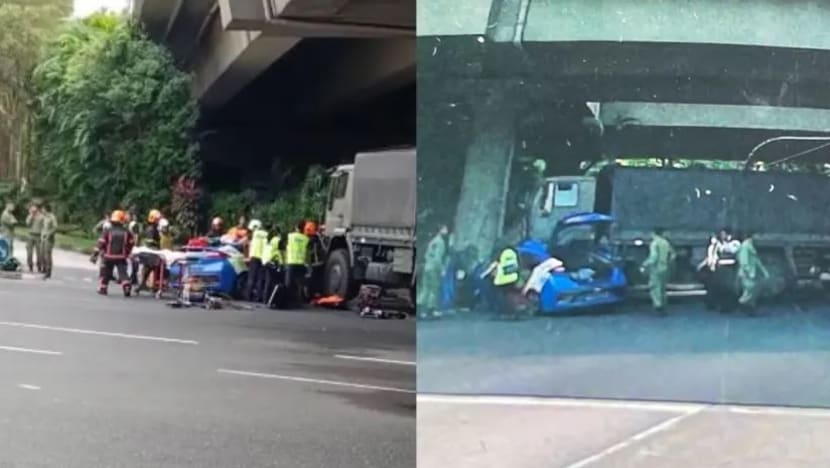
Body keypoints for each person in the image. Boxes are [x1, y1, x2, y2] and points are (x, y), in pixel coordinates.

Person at [92, 210, 135, 297]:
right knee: (123, 273)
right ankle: (126, 286)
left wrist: (95, 255)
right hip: (121, 257)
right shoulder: (127, 232)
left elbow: (101, 243)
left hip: (108, 256)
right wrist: (127, 252)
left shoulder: (108, 231)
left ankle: (103, 288)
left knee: (106, 273)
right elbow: (131, 243)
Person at [640, 227, 676, 315]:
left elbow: (653, 257)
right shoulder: (665, 242)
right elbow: (673, 254)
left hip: (656, 269)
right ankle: (664, 305)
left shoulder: (654, 243)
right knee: (663, 288)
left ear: (654, 233)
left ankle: (658, 306)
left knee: (655, 287)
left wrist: (644, 264)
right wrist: (668, 262)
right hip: (665, 268)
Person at [481, 242, 521, 318]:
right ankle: (511, 312)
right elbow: (518, 265)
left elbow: (493, 266)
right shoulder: (513, 252)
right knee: (509, 294)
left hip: (501, 279)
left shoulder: (500, 254)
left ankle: (502, 312)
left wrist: (484, 274)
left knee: (500, 294)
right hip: (513, 277)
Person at [737, 232, 770, 315]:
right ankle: (743, 305)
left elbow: (757, 261)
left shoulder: (749, 246)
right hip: (747, 273)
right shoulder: (745, 246)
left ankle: (750, 308)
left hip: (752, 272)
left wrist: (764, 271)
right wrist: (748, 271)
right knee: (749, 290)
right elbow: (744, 261)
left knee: (752, 290)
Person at [284, 220, 310, 306]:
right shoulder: (306, 239)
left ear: (296, 227)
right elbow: (307, 253)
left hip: (291, 261)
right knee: (299, 283)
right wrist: (307, 264)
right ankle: (299, 302)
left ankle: (287, 301)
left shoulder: (290, 236)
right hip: (301, 263)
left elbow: (285, 247)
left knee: (288, 283)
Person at [245, 219, 269, 302]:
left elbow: (248, 243)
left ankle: (248, 296)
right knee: (260, 278)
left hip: (254, 256)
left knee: (251, 277)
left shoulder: (254, 234)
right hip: (263, 258)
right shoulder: (266, 234)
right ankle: (258, 297)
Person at [262, 226, 284, 305]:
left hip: (265, 261)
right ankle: (271, 300)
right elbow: (279, 253)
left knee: (268, 281)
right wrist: (282, 263)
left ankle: (266, 299)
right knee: (273, 282)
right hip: (272, 261)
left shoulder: (268, 240)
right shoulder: (277, 240)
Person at [25, 200, 44, 273]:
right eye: (32, 207)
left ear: (37, 208)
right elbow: (27, 224)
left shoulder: (42, 216)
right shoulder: (30, 215)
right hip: (30, 235)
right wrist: (32, 216)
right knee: (29, 252)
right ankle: (30, 266)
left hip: (38, 236)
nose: (33, 209)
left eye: (34, 207)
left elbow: (44, 226)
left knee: (39, 253)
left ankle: (39, 266)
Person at [40, 203, 58, 280]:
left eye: (43, 209)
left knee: (47, 256)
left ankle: (48, 272)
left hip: (49, 239)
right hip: (43, 238)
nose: (42, 210)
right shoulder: (44, 217)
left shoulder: (52, 217)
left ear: (46, 209)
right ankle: (44, 269)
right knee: (42, 254)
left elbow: (55, 227)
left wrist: (49, 234)